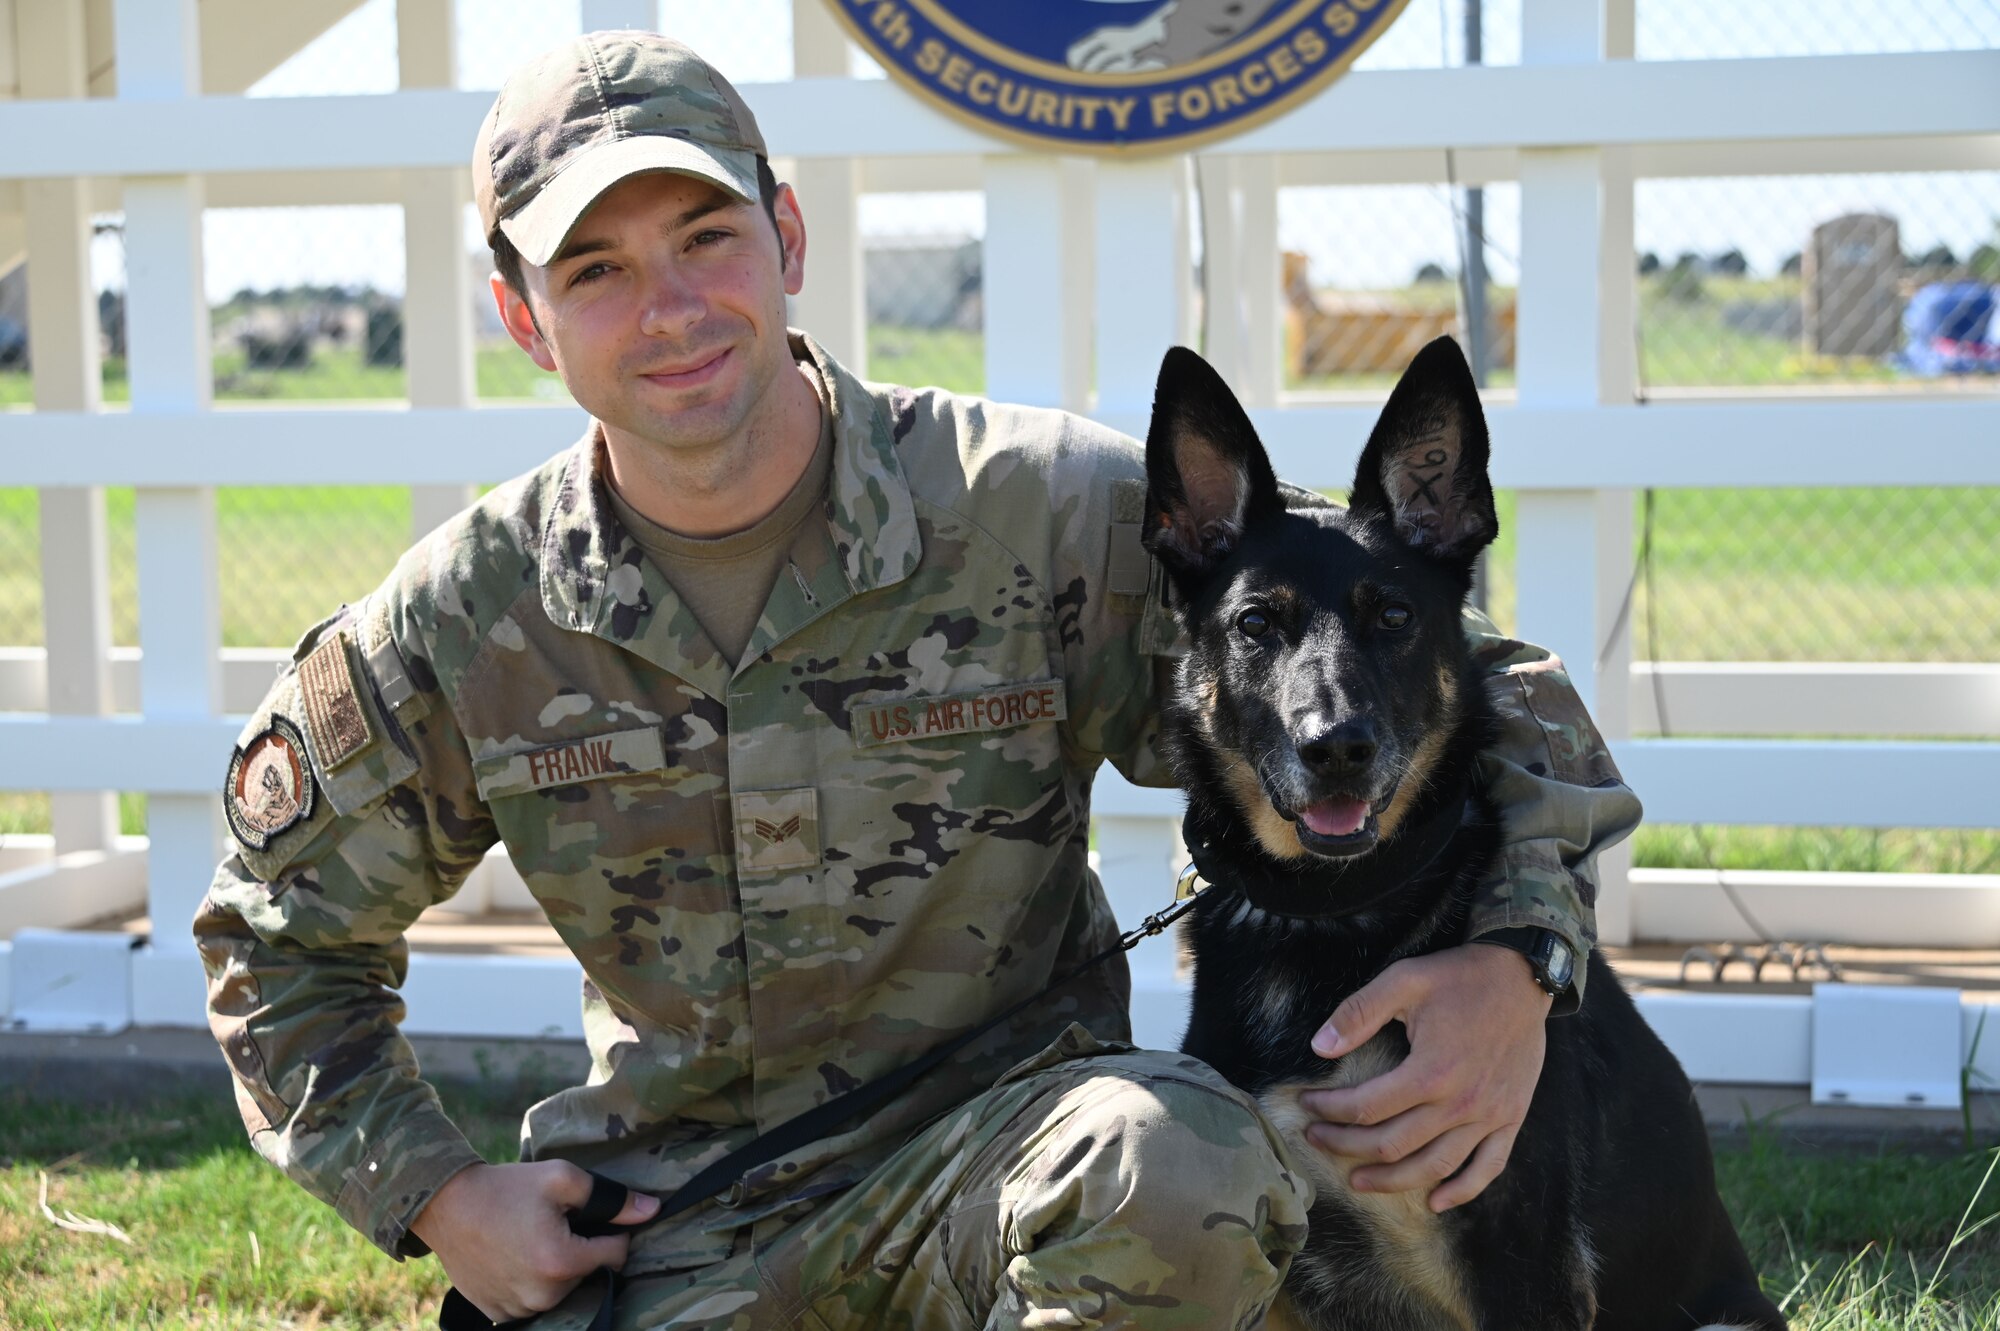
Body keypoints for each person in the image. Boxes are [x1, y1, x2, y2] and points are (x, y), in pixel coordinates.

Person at [195, 30, 1639, 1330]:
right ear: (525, 318)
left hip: (1011, 1175)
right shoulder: (473, 617)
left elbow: (1470, 681)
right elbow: (274, 938)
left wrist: (1520, 963)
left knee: (1177, 1163)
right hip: (680, 1223)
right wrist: (443, 1199)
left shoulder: (1033, 511)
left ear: (789, 236)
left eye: (707, 237)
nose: (674, 308)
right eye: (597, 272)